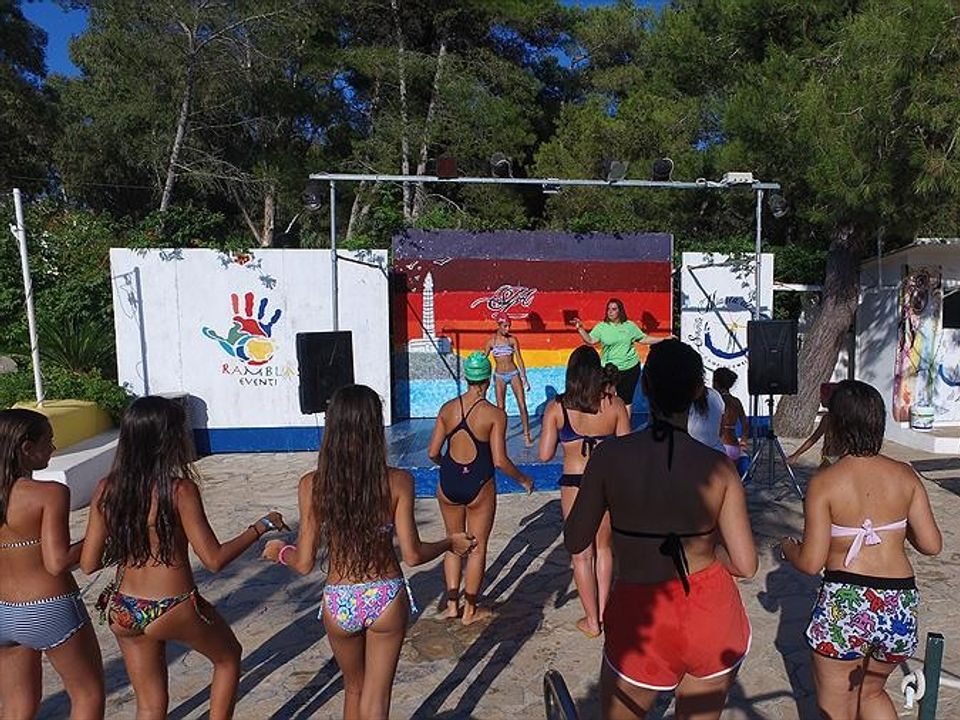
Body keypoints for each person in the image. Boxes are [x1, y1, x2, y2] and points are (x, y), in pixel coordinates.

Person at [565, 340, 757, 719]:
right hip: (710, 613)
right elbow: (746, 564)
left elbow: (575, 538)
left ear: (645, 387)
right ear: (697, 391)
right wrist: (705, 547)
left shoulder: (609, 458)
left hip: (642, 610)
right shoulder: (719, 468)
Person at [263, 384, 477, 720]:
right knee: (377, 698)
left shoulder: (312, 484)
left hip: (340, 599)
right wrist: (450, 542)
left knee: (354, 689)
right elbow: (413, 555)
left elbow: (303, 562)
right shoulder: (398, 481)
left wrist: (279, 551)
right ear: (374, 427)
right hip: (385, 595)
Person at [81, 396, 287, 720]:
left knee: (149, 706)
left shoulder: (107, 489)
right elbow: (214, 559)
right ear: (167, 439)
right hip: (171, 604)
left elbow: (89, 563)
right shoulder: (179, 490)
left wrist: (131, 536)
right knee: (228, 658)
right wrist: (260, 527)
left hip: (124, 607)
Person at [779, 380, 942, 720]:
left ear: (836, 425)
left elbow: (811, 562)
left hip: (846, 600)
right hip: (898, 603)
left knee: (836, 705)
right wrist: (896, 527)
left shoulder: (825, 482)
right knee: (872, 692)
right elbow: (931, 545)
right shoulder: (905, 475)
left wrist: (787, 548)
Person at [0, 409, 105, 720]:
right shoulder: (50, 493)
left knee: (17, 707)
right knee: (87, 695)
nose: (54, 448)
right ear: (26, 448)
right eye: (48, 441)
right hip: (48, 605)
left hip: (2, 610)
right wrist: (99, 536)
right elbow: (57, 561)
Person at [427, 351, 533, 624]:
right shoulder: (495, 414)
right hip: (478, 483)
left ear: (467, 378)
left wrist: (447, 467)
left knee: (453, 542)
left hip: (449, 481)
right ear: (487, 380)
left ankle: (452, 605)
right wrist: (523, 479)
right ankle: (470, 611)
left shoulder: (447, 409)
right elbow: (499, 461)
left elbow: (433, 452)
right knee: (476, 546)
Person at [539, 347, 630, 638]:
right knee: (604, 549)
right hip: (606, 482)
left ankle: (592, 621)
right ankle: (604, 613)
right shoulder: (614, 405)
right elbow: (627, 449)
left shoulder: (558, 407)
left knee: (581, 554)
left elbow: (544, 454)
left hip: (574, 484)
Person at [572, 297, 666, 408]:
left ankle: (625, 420)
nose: (610, 312)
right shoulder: (601, 327)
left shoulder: (629, 326)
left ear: (620, 311)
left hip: (629, 368)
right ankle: (609, 419)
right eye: (608, 309)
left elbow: (643, 339)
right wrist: (580, 329)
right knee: (606, 399)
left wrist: (664, 339)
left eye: (614, 309)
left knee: (626, 401)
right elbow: (590, 340)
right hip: (608, 369)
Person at [483, 315, 535, 447]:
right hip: (499, 375)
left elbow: (519, 359)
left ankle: (527, 435)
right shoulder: (491, 342)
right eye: (505, 326)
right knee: (501, 408)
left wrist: (524, 378)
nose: (508, 329)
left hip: (513, 374)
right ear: (499, 325)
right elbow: (484, 360)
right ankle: (500, 435)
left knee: (522, 405)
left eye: (509, 326)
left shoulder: (512, 340)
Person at [787, 382, 840, 468]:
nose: (820, 399)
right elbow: (814, 438)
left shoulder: (829, 419)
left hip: (833, 460)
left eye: (822, 396)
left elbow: (814, 438)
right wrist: (796, 455)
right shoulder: (828, 418)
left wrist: (796, 455)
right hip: (831, 458)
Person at [713, 367, 750, 463]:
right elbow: (745, 423)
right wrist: (743, 441)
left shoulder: (714, 400)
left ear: (716, 383)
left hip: (719, 445)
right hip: (734, 446)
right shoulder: (736, 401)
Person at [688, 383, 726, 453]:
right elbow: (722, 424)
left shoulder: (688, 396)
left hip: (693, 449)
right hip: (715, 449)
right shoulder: (715, 394)